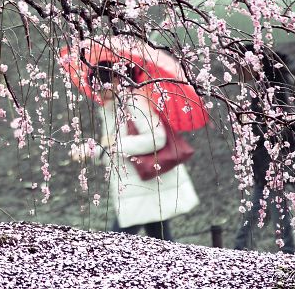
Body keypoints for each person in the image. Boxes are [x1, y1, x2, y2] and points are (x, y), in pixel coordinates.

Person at [72, 62, 200, 241]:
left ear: (116, 79)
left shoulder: (134, 102)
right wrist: (91, 150)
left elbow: (156, 138)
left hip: (143, 185)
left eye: (101, 88)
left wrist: (114, 146)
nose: (98, 94)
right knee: (161, 240)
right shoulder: (110, 108)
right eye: (96, 89)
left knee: (117, 242)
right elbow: (109, 145)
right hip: (138, 185)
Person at [233, 47, 295, 254]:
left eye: (240, 62)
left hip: (279, 173)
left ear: (255, 63)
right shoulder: (263, 88)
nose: (236, 68)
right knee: (251, 229)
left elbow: (294, 131)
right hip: (265, 172)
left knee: (287, 234)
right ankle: (237, 263)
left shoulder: (278, 90)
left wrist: (269, 142)